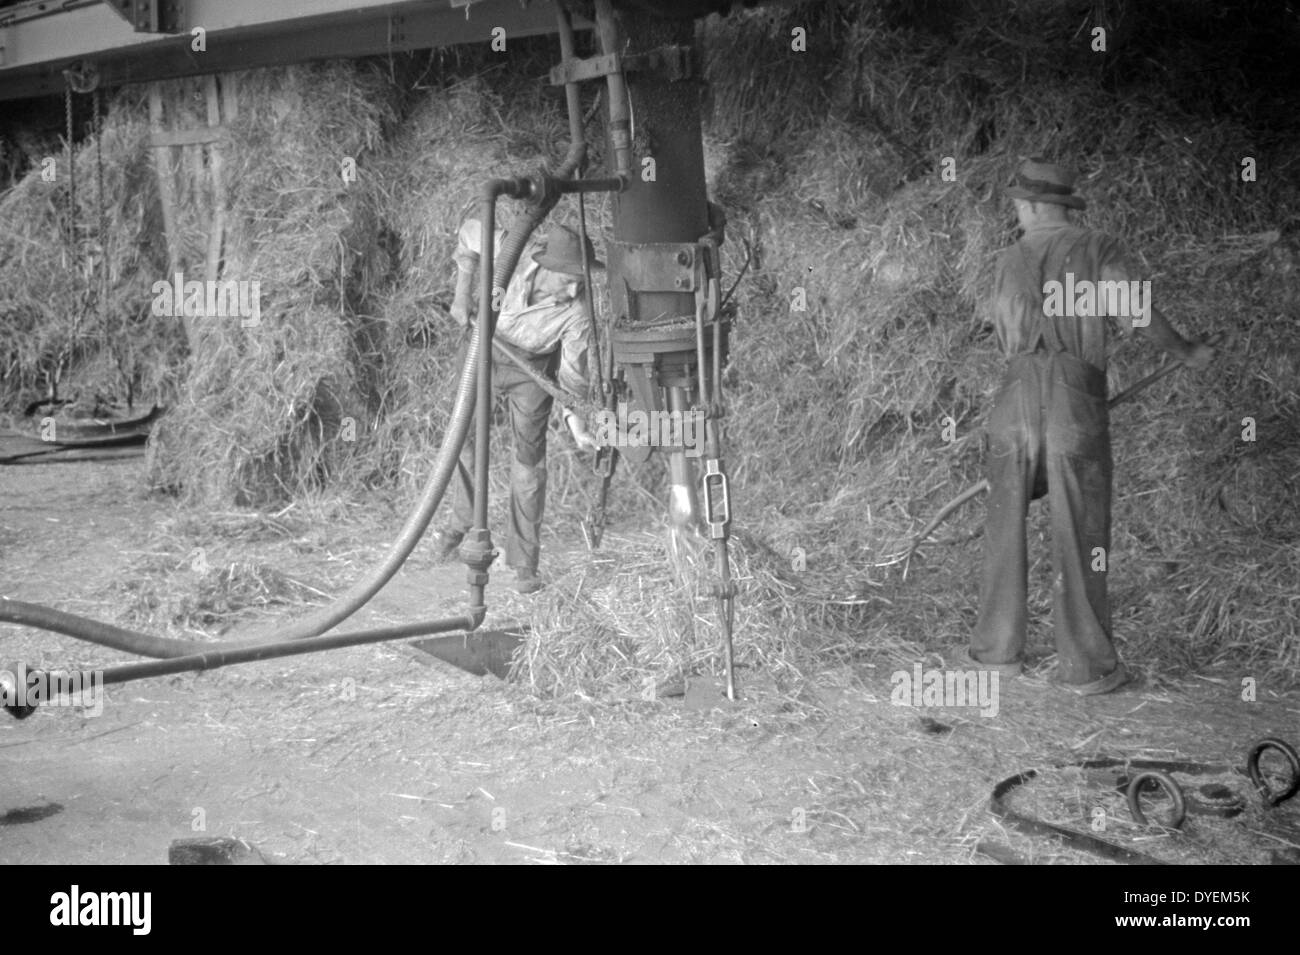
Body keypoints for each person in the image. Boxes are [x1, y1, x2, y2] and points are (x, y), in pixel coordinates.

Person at [958, 158, 1213, 694]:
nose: (1017, 215)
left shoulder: (1007, 259)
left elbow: (1003, 326)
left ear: (1030, 207)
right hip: (1074, 398)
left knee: (1004, 526)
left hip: (1013, 398)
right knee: (1081, 530)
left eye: (1017, 207)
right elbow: (1135, 314)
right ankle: (1086, 668)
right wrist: (1185, 350)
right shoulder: (1097, 248)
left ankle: (996, 656)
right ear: (1063, 205)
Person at [431, 219, 599, 593]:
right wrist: (462, 293)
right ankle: (461, 524)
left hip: (531, 371)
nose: (574, 289)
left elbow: (573, 376)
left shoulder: (578, 313)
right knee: (465, 439)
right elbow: (470, 230)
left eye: (581, 281)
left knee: (528, 461)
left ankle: (524, 561)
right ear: (545, 266)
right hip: (483, 347)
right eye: (568, 278)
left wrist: (578, 425)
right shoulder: (511, 252)